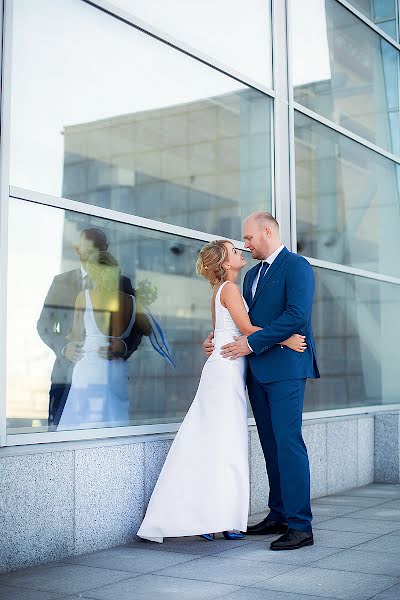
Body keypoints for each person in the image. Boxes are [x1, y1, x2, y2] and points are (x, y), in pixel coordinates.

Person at [137, 239, 306, 543]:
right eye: (235, 251)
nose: (242, 250)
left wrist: (214, 341)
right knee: (224, 443)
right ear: (226, 263)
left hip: (227, 368)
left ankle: (214, 516)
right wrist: (285, 340)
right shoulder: (231, 289)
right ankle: (213, 516)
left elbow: (222, 332)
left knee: (218, 442)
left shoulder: (224, 289)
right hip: (226, 372)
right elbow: (246, 328)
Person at [204, 212, 320, 551]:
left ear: (266, 232)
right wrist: (215, 336)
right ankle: (279, 515)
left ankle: (301, 526)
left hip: (286, 369)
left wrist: (252, 343)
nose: (246, 244)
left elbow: (297, 315)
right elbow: (244, 320)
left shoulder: (296, 266)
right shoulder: (251, 274)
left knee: (288, 443)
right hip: (256, 372)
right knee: (270, 446)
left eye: (249, 238)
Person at [37, 228, 150, 429]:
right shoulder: (61, 281)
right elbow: (43, 325)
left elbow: (138, 329)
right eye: (88, 248)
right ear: (77, 249)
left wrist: (124, 347)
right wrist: (64, 347)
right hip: (65, 376)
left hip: (109, 376)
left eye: (98, 248)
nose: (93, 253)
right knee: (61, 434)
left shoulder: (123, 283)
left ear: (105, 249)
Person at [57, 251, 137, 428]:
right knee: (116, 423)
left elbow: (75, 335)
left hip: (90, 366)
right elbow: (138, 335)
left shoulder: (84, 297)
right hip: (117, 368)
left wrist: (65, 344)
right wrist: (124, 347)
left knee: (83, 425)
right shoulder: (131, 301)